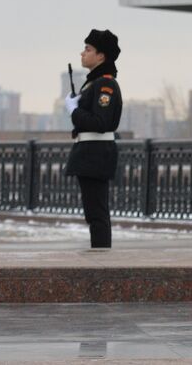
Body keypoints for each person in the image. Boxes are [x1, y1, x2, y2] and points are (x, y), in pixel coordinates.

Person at [64, 29, 124, 249]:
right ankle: (100, 255)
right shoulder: (94, 83)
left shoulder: (105, 85)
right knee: (93, 212)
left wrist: (73, 110)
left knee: (97, 213)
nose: (82, 53)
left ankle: (102, 259)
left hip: (96, 153)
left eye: (88, 49)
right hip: (91, 153)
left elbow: (100, 123)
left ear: (101, 56)